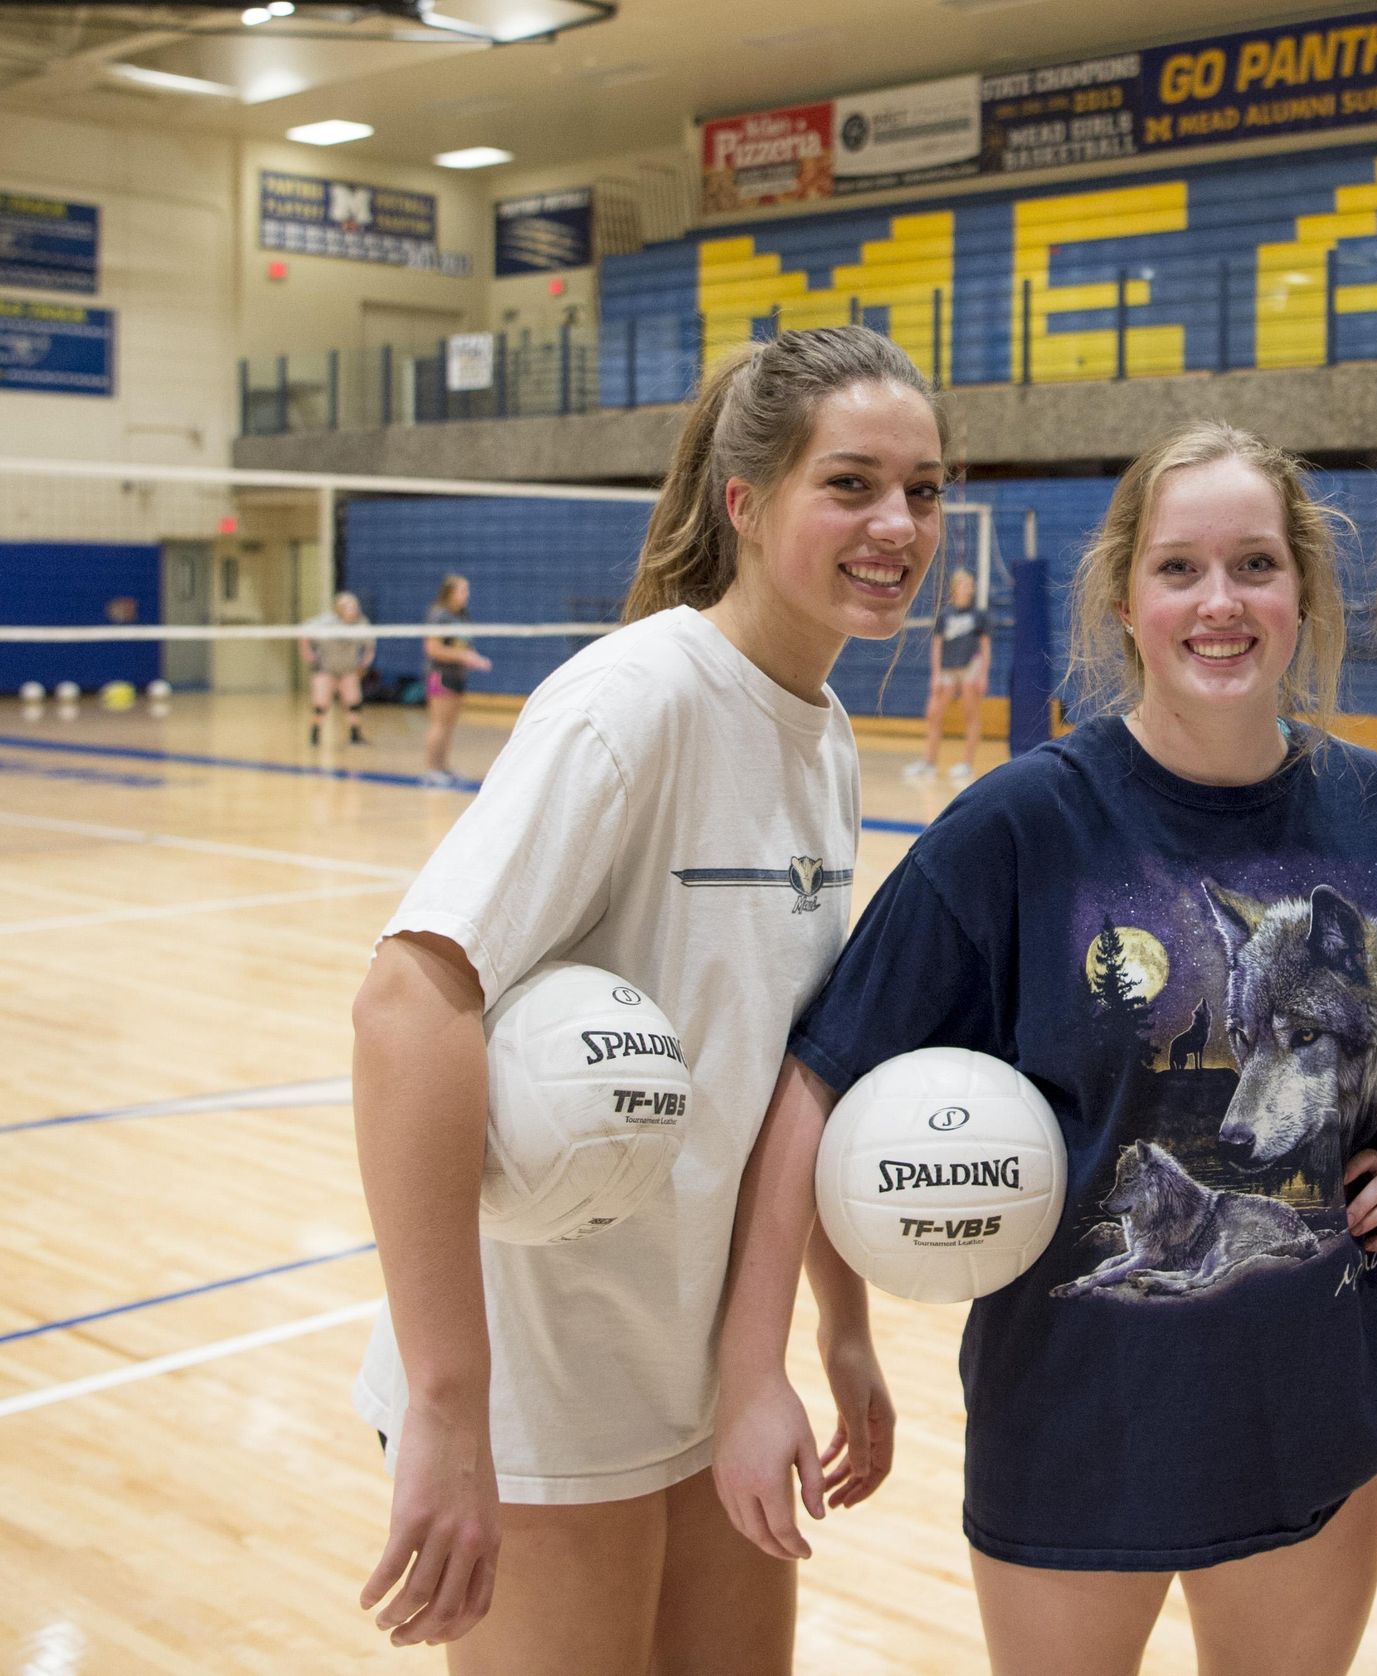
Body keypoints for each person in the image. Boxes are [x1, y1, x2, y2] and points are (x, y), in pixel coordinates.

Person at [711, 421, 1377, 1676]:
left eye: (1256, 564)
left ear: (1304, 591)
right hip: (1077, 1422)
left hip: (1310, 1405)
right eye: (1179, 569)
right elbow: (812, 1082)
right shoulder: (1019, 824)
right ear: (1123, 599)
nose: (1221, 603)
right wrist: (762, 1364)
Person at [349, 326, 946, 1671]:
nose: (898, 523)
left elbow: (790, 1057)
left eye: (925, 487)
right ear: (746, 502)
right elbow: (406, 1006)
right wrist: (454, 1408)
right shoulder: (636, 703)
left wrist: (834, 1327)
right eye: (850, 483)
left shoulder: (828, 737)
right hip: (546, 1384)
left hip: (703, 1360)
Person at [908, 566, 991, 783]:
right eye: (965, 585)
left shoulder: (978, 616)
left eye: (971, 585)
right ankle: (929, 762)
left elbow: (985, 647)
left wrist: (983, 675)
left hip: (969, 668)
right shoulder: (945, 616)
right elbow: (937, 646)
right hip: (946, 669)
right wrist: (935, 675)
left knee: (971, 715)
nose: (969, 589)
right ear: (955, 588)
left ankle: (966, 764)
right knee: (934, 714)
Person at [420, 574, 492, 788]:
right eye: (462, 590)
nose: (466, 595)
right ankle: (432, 770)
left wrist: (474, 658)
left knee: (449, 725)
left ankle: (444, 767)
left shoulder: (462, 615)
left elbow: (464, 645)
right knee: (439, 724)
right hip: (441, 675)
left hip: (458, 676)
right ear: (449, 592)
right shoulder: (438, 615)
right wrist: (463, 657)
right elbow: (432, 649)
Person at [301, 590, 377, 746]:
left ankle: (355, 735)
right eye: (348, 606)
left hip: (348, 670)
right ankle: (315, 734)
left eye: (355, 606)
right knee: (321, 703)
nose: (353, 609)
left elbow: (370, 646)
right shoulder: (325, 622)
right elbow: (303, 632)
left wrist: (364, 663)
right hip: (325, 669)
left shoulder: (361, 624)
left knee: (353, 702)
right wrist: (307, 653)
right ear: (339, 608)